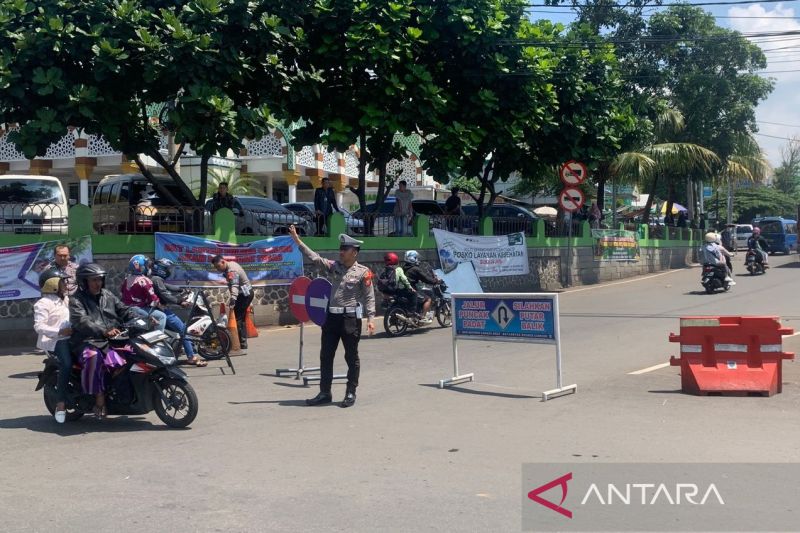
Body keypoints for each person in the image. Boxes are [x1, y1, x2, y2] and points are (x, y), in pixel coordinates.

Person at [288, 225, 375, 408]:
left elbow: (369, 296)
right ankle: (325, 393)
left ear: (355, 252)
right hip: (331, 320)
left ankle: (350, 392)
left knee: (351, 357)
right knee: (325, 356)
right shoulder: (334, 267)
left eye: (345, 249)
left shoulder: (363, 272)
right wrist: (298, 241)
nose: (341, 252)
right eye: (340, 249)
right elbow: (315, 258)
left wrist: (371, 319)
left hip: (350, 320)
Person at [70, 263, 141, 418]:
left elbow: (123, 309)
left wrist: (139, 318)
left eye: (100, 279)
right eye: (94, 280)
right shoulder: (76, 300)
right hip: (88, 340)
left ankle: (124, 394)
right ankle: (99, 399)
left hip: (113, 339)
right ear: (84, 282)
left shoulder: (107, 294)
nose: (98, 283)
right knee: (93, 357)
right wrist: (103, 331)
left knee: (133, 353)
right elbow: (82, 321)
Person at [149, 258, 207, 367]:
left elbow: (167, 287)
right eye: (167, 268)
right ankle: (191, 357)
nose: (169, 271)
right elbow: (164, 294)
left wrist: (181, 289)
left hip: (159, 309)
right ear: (162, 269)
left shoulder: (155, 279)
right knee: (183, 330)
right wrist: (180, 302)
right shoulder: (156, 279)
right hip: (162, 310)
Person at [34, 268, 72, 423]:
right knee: (67, 364)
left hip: (71, 337)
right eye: (62, 280)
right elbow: (39, 326)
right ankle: (61, 402)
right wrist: (60, 332)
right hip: (55, 341)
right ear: (53, 284)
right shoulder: (42, 304)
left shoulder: (65, 299)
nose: (66, 283)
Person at [210, 254, 253, 350]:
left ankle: (241, 342)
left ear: (223, 261)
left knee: (237, 318)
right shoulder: (230, 265)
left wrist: (233, 298)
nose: (218, 269)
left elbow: (235, 285)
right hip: (243, 293)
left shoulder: (231, 270)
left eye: (218, 266)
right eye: (216, 268)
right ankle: (241, 341)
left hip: (244, 294)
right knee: (240, 317)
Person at [120, 254, 167, 331]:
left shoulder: (127, 279)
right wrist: (160, 305)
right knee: (162, 316)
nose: (148, 268)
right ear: (141, 267)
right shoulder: (144, 280)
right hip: (139, 309)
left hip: (127, 309)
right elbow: (153, 298)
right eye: (146, 265)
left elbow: (122, 292)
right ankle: (158, 340)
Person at [403, 250, 439, 323]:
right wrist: (434, 281)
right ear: (412, 258)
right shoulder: (415, 269)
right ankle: (422, 316)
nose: (418, 260)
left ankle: (418, 312)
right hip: (412, 289)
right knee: (428, 299)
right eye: (416, 258)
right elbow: (425, 278)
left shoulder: (404, 267)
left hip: (404, 290)